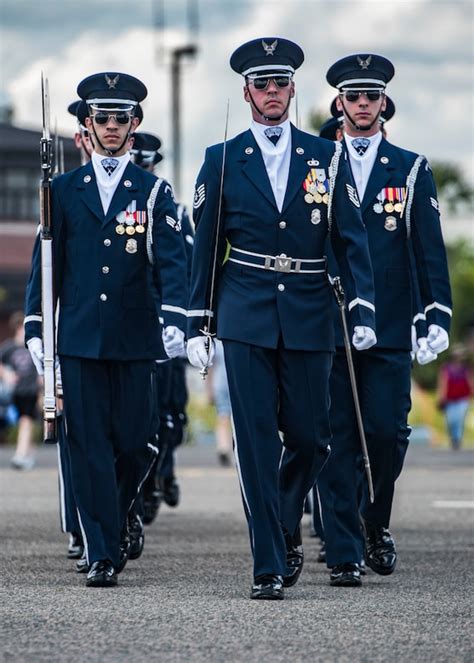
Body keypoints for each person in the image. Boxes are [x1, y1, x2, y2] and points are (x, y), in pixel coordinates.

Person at [187, 37, 377, 600]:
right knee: (253, 442)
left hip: (310, 308)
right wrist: (199, 319)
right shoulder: (221, 159)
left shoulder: (327, 156)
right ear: (247, 93)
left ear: (294, 90)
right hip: (243, 311)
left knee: (313, 436)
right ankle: (267, 560)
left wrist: (362, 306)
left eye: (281, 84)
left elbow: (351, 235)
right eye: (262, 84)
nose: (272, 92)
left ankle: (284, 517)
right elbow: (205, 245)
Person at [25, 71, 188, 588]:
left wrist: (177, 320)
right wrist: (36, 326)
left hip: (135, 337)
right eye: (103, 118)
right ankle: (99, 548)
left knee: (139, 442)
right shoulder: (62, 190)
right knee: (85, 445)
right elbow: (45, 264)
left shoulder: (152, 189)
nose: (112, 126)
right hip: (78, 337)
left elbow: (173, 264)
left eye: (121, 118)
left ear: (134, 124)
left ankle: (117, 519)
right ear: (88, 125)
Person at [317, 53, 452, 588]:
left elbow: (428, 248)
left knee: (387, 433)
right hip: (331, 321)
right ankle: (345, 548)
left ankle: (374, 521)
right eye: (354, 97)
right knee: (337, 435)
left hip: (393, 322)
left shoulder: (411, 168)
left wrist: (435, 312)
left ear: (383, 103)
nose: (363, 105)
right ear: (340, 104)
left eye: (371, 96)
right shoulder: (318, 163)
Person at [0, 312, 40, 470]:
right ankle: (25, 454)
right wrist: (6, 374)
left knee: (27, 420)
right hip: (16, 391)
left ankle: (22, 454)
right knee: (25, 421)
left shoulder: (34, 345)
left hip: (32, 390)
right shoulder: (10, 347)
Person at [438, 346, 472, 450]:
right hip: (450, 399)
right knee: (451, 420)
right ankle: (453, 437)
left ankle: (457, 439)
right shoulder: (446, 368)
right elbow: (443, 382)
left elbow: (470, 382)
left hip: (463, 398)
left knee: (459, 419)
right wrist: (441, 397)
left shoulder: (466, 368)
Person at [206, 339, 233, 466]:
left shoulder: (216, 342)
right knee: (224, 417)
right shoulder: (217, 343)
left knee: (223, 418)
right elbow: (210, 368)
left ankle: (224, 447)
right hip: (224, 385)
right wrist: (209, 389)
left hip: (222, 384)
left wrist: (209, 389)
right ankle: (224, 448)